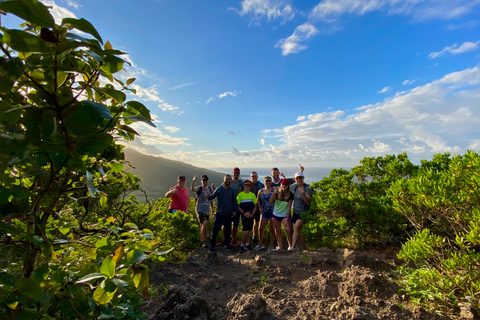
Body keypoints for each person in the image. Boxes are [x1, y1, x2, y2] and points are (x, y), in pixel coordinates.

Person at [206, 174, 238, 253]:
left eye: (229, 179)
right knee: (215, 230)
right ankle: (212, 246)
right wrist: (208, 196)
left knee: (228, 231)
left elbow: (234, 202)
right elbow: (212, 197)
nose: (227, 180)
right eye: (226, 179)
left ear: (231, 180)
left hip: (229, 213)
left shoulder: (232, 190)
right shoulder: (219, 189)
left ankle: (227, 245)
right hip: (220, 213)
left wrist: (235, 211)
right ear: (223, 180)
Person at [218, 167, 243, 247]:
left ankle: (233, 240)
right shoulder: (229, 181)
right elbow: (220, 190)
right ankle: (225, 240)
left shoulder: (241, 183)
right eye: (235, 172)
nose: (236, 174)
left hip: (237, 207)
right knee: (224, 225)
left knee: (235, 225)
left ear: (239, 174)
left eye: (237, 172)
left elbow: (245, 191)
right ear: (232, 173)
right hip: (227, 207)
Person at [191, 174, 214, 248]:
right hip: (199, 209)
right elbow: (192, 189)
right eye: (203, 180)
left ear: (207, 181)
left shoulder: (210, 189)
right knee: (205, 223)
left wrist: (212, 210)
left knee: (203, 226)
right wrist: (193, 181)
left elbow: (211, 200)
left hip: (207, 211)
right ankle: (203, 241)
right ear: (201, 181)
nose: (205, 181)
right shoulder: (199, 188)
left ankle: (201, 241)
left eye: (206, 180)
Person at [269, 179, 294, 250]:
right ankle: (280, 246)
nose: (284, 186)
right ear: (281, 185)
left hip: (284, 215)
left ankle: (290, 246)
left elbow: (289, 207)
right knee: (277, 230)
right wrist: (274, 193)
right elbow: (270, 202)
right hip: (276, 214)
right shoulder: (277, 193)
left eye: (285, 185)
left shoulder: (291, 194)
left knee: (288, 230)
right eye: (283, 184)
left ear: (288, 186)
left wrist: (288, 218)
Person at [291, 172, 312, 250]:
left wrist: (303, 194)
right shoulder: (296, 187)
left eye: (300, 178)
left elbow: (308, 202)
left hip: (304, 212)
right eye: (297, 178)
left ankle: (292, 247)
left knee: (297, 226)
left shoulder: (307, 188)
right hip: (296, 212)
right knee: (300, 230)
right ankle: (303, 248)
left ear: (303, 178)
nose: (299, 179)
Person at [254, 176, 275, 251]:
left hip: (272, 211)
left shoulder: (274, 190)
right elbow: (258, 200)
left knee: (272, 229)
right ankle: (260, 243)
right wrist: (259, 208)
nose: (268, 182)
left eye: (269, 181)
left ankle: (271, 245)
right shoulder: (261, 191)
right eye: (266, 181)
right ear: (264, 182)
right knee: (260, 228)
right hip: (264, 212)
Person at [237, 180, 258, 253]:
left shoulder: (252, 195)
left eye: (249, 185)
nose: (248, 187)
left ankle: (247, 244)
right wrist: (244, 213)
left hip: (251, 215)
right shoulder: (240, 195)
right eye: (246, 185)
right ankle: (242, 246)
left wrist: (252, 214)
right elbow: (238, 206)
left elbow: (255, 206)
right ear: (244, 185)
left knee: (249, 230)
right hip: (244, 216)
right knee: (245, 231)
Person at [249, 171, 264, 244]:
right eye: (253, 176)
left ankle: (254, 236)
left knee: (256, 221)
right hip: (249, 206)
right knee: (249, 222)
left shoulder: (261, 185)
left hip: (258, 206)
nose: (254, 177)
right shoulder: (248, 185)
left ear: (257, 177)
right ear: (250, 177)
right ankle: (248, 237)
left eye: (255, 176)